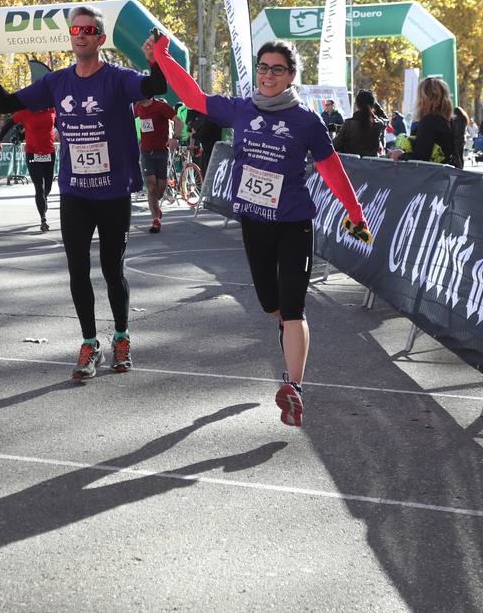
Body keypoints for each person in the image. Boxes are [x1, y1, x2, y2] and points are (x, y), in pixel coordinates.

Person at [152, 34, 371, 427]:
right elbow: (192, 97)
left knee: (292, 307)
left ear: (291, 76)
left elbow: (330, 168)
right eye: (264, 67)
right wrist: (162, 56)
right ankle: (286, 336)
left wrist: (354, 210)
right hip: (255, 222)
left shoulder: (306, 120)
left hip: (293, 224)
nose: (269, 75)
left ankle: (295, 387)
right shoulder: (240, 109)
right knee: (271, 304)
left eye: (278, 69)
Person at [0, 7, 165, 380]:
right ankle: (89, 343)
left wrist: (153, 60)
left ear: (100, 38)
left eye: (89, 29)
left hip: (112, 194)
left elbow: (155, 87)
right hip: (76, 192)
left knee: (112, 269)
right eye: (75, 29)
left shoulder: (118, 78)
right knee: (77, 269)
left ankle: (121, 337)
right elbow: (6, 104)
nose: (80, 34)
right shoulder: (57, 82)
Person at [0, 105, 58, 231]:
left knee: (47, 186)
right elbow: (9, 123)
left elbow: (61, 125)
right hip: (33, 153)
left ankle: (43, 199)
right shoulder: (26, 111)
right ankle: (43, 219)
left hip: (49, 153)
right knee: (39, 187)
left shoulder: (53, 110)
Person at [135, 92, 181, 233]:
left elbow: (178, 121)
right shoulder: (137, 107)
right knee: (151, 187)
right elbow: (123, 119)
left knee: (160, 190)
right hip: (146, 152)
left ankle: (156, 208)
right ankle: (155, 220)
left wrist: (175, 138)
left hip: (161, 152)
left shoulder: (161, 106)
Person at [390, 78, 456, 164]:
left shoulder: (429, 121)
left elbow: (422, 157)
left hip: (431, 174)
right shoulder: (448, 121)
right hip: (444, 173)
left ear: (424, 98)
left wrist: (401, 155)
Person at [333, 89, 385, 157]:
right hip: (372, 165)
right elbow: (385, 118)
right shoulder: (379, 124)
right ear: (373, 105)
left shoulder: (349, 124)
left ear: (357, 105)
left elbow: (335, 146)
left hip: (351, 164)